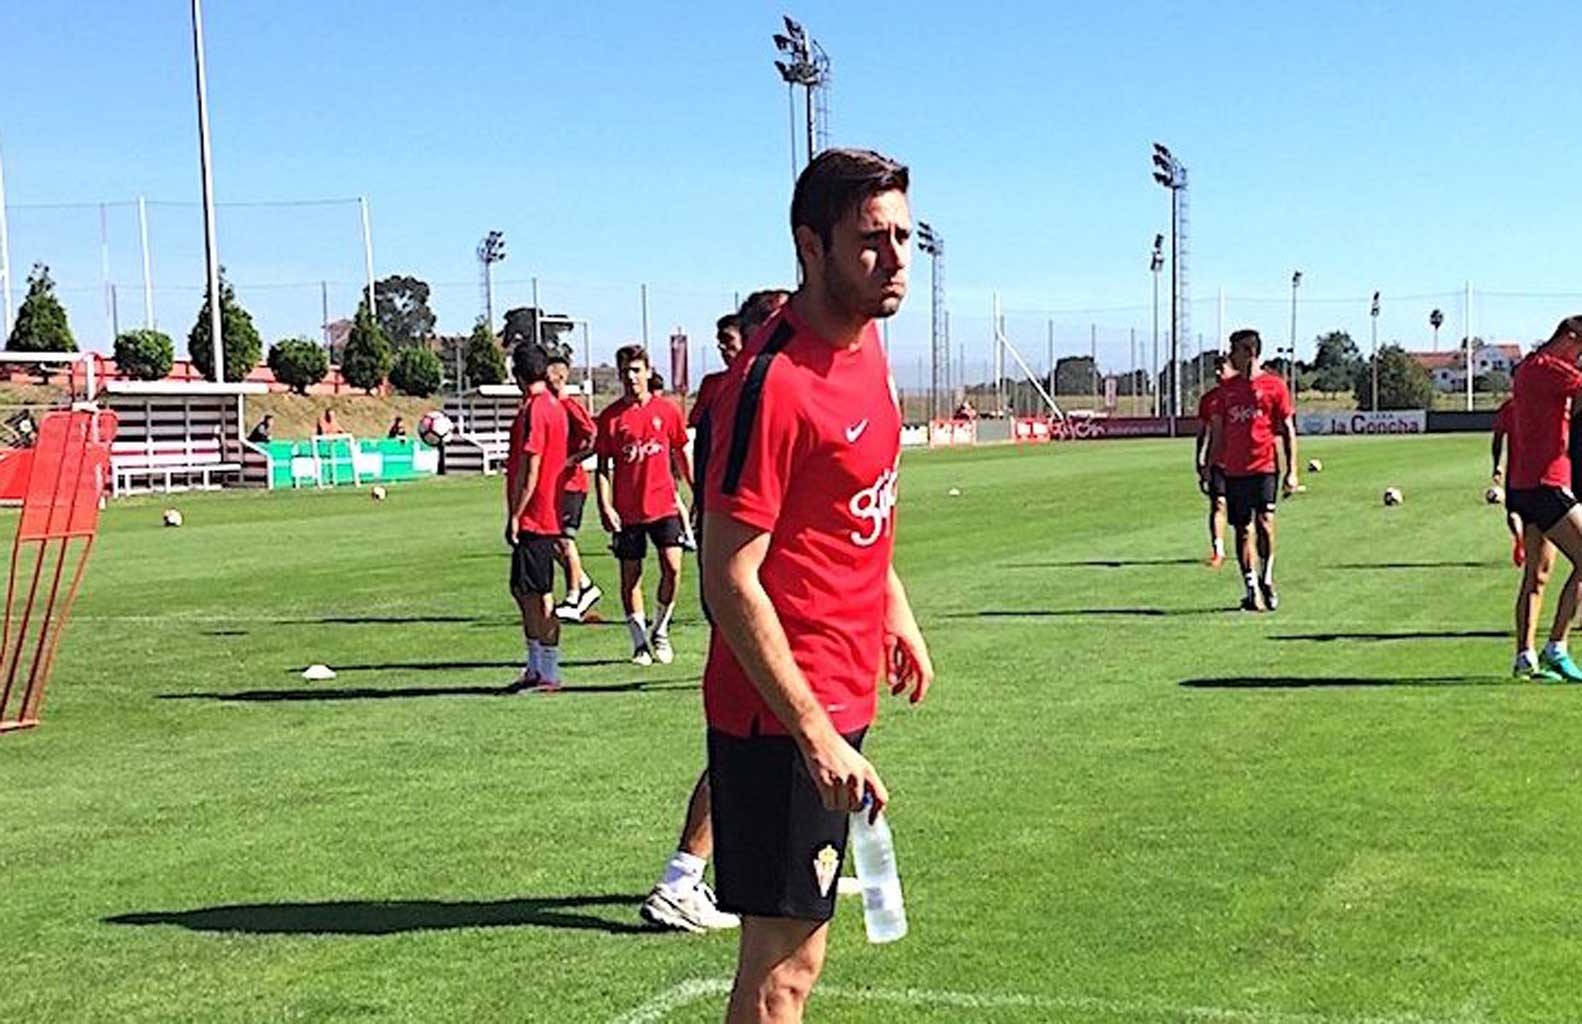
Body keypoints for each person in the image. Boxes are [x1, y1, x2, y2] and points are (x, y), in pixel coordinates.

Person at [701, 148, 933, 1024]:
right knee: (781, 968)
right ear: (812, 245)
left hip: (841, 686)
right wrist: (813, 735)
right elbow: (728, 576)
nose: (897, 257)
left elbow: (849, 514)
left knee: (804, 949)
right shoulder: (774, 385)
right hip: (781, 712)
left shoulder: (870, 347)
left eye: (906, 237)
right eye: (872, 239)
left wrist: (892, 610)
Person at [637, 294, 789, 936]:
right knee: (751, 735)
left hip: (756, 574)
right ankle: (681, 878)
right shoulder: (747, 391)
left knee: (776, 730)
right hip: (749, 580)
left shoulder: (747, 388)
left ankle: (784, 857)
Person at [594, 345, 692, 666]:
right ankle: (639, 643)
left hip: (664, 506)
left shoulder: (667, 411)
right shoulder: (610, 418)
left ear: (648, 372)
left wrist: (697, 492)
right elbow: (603, 467)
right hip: (628, 512)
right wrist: (605, 506)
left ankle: (661, 629)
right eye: (625, 371)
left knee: (673, 568)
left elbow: (680, 454)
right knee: (630, 576)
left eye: (636, 370)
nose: (631, 377)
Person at [1507, 317, 1582, 682]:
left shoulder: (1531, 368)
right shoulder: (1549, 368)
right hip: (1546, 485)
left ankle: (1525, 657)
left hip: (1527, 484)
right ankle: (1557, 646)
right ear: (1569, 338)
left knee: (1537, 575)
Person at [1208, 329, 1298, 612]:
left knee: (1265, 523)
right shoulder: (1227, 390)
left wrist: (1292, 471)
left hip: (1265, 467)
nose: (1229, 357)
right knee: (1243, 531)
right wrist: (1210, 467)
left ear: (1249, 351)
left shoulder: (1275, 386)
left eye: (1233, 351)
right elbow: (1219, 434)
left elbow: (1287, 430)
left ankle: (1267, 578)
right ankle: (1251, 589)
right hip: (1234, 471)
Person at [504, 343, 570, 692]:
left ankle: (549, 671)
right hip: (546, 512)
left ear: (517, 375)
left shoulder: (535, 410)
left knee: (539, 594)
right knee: (523, 590)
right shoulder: (554, 408)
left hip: (536, 516)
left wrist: (516, 513)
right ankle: (534, 666)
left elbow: (531, 467)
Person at [546, 350, 603, 622]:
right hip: (555, 485)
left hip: (572, 485)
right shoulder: (550, 407)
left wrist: (572, 460)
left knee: (565, 540)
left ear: (561, 376)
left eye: (551, 374)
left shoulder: (570, 406)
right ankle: (586, 585)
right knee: (553, 542)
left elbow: (593, 436)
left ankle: (572, 596)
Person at [1195, 356, 1234, 568]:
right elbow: (1202, 433)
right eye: (1216, 369)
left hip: (1241, 462)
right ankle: (1218, 550)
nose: (1218, 373)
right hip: (1217, 461)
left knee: (1244, 511)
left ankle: (1247, 547)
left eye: (1223, 368)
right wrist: (1199, 462)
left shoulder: (1243, 395)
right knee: (1218, 504)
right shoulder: (1208, 400)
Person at [1492, 397, 1526, 567]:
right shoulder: (1542, 403)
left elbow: (1498, 438)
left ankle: (1518, 536)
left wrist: (1496, 465)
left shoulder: (1509, 406)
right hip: (1541, 469)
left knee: (1513, 510)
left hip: (1515, 471)